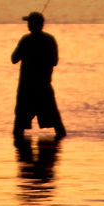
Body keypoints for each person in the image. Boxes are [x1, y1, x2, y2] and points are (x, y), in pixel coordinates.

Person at [11, 11, 66, 139]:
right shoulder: (49, 40)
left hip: (26, 89)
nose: (28, 25)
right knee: (57, 124)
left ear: (34, 24)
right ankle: (58, 146)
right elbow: (54, 61)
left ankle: (21, 152)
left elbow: (14, 59)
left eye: (29, 22)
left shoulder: (26, 40)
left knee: (19, 126)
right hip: (44, 87)